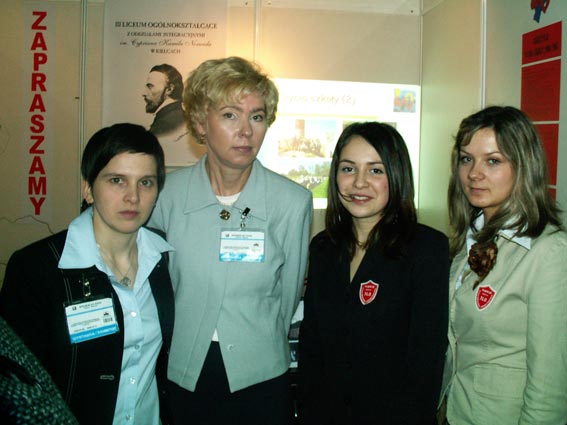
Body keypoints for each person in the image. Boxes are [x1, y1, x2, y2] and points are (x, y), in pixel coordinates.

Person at [148, 56, 313, 425]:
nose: (246, 131)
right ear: (199, 123)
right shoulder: (166, 195)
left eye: (257, 117)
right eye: (230, 115)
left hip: (261, 374)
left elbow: (287, 296)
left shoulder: (291, 202)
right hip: (185, 370)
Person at [0, 123, 175, 425]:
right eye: (117, 180)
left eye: (146, 182)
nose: (133, 197)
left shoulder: (162, 260)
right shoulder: (36, 268)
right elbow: (18, 384)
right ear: (88, 189)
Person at [297, 121, 449, 425]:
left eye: (376, 170)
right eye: (348, 169)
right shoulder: (323, 247)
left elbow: (426, 363)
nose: (359, 183)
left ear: (397, 175)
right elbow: (312, 348)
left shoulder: (426, 248)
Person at [438, 106, 567, 424]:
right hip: (456, 411)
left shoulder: (549, 252)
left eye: (493, 161)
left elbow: (549, 385)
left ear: (524, 166)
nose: (474, 173)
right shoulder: (471, 237)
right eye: (466, 159)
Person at [143, 63, 186, 138]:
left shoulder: (165, 124)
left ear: (169, 89)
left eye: (150, 86)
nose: (143, 93)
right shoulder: (180, 116)